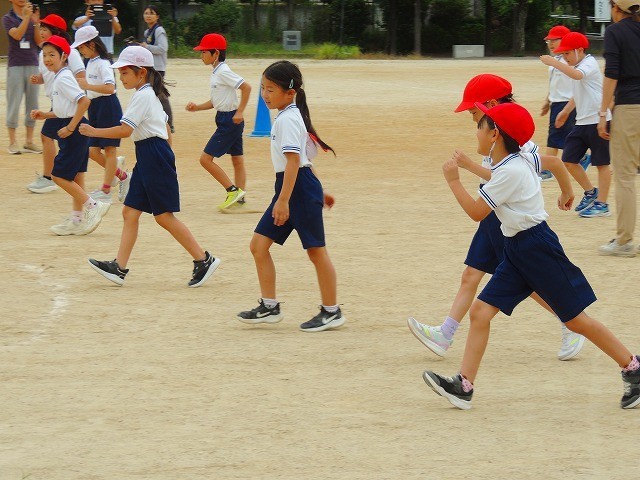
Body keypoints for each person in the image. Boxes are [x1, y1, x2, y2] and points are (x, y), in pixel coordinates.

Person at [422, 102, 640, 411]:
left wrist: (454, 181)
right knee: (480, 312)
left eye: (480, 127)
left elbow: (476, 212)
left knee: (577, 321)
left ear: (495, 135)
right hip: (517, 249)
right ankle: (464, 386)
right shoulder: (515, 160)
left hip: (537, 250)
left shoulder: (510, 170)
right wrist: (566, 190)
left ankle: (633, 367)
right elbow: (539, 166)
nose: (477, 132)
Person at [407, 74, 585, 361]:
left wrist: (567, 191)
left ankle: (570, 321)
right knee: (472, 274)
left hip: (506, 221)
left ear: (490, 105)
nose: (472, 119)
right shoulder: (494, 136)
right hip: (494, 215)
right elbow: (500, 177)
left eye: (474, 112)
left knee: (525, 281)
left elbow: (546, 164)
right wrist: (471, 167)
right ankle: (445, 333)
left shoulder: (515, 140)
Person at [79, 46, 220, 288]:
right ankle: (119, 267)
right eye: (120, 73)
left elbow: (125, 130)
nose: (121, 77)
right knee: (130, 212)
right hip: (150, 154)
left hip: (153, 155)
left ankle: (203, 259)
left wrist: (93, 131)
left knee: (164, 216)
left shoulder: (143, 96)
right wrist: (164, 153)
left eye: (125, 72)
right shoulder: (149, 95)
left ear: (141, 72)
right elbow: (165, 128)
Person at [236, 60, 345, 332]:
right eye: (263, 88)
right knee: (258, 245)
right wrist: (318, 190)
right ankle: (269, 306)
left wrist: (284, 201)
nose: (265, 95)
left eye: (271, 90)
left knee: (316, 251)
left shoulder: (287, 119)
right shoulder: (288, 116)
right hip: (293, 187)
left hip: (296, 190)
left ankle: (332, 311)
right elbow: (304, 160)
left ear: (290, 93)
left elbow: (295, 162)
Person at [30, 35, 111, 236]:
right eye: (44, 55)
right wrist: (45, 114)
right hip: (76, 128)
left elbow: (84, 102)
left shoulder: (64, 77)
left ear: (64, 56)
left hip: (74, 131)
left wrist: (70, 128)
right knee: (76, 176)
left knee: (58, 175)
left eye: (52, 55)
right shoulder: (60, 76)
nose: (47, 59)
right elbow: (65, 109)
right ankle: (77, 219)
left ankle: (94, 206)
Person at [540, 32, 612, 218]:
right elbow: (577, 92)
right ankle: (591, 192)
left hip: (598, 120)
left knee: (602, 163)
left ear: (579, 50)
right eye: (563, 54)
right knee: (569, 159)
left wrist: (554, 62)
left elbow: (578, 76)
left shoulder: (589, 63)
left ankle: (602, 204)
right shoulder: (577, 65)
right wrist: (565, 111)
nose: (565, 58)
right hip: (582, 121)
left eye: (567, 53)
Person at [186, 33, 251, 211]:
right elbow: (216, 102)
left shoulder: (223, 71)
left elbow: (246, 87)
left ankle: (232, 191)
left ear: (216, 53)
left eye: (203, 52)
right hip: (226, 118)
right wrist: (197, 107)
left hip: (230, 120)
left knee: (205, 159)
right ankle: (240, 200)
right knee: (237, 160)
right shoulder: (216, 72)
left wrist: (240, 111)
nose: (201, 56)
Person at [597, 0, 640, 257]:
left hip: (630, 109)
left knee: (625, 176)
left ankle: (624, 241)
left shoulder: (616, 31)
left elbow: (612, 74)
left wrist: (603, 112)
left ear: (615, 8)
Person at [27, 13, 85, 194]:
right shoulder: (44, 52)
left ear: (57, 31)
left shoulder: (69, 52)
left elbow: (80, 77)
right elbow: (48, 76)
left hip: (69, 103)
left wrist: (72, 94)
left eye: (45, 29)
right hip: (59, 102)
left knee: (48, 135)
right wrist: (39, 79)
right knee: (82, 147)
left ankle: (48, 178)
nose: (41, 32)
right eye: (40, 28)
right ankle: (117, 172)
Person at [71, 25, 129, 204]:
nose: (80, 51)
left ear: (92, 44)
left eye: (82, 47)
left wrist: (87, 86)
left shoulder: (103, 63)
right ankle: (123, 176)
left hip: (108, 106)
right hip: (95, 106)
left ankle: (106, 189)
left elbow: (110, 88)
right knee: (93, 151)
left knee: (110, 149)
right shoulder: (90, 62)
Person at [539, 25, 581, 181]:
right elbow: (555, 84)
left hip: (567, 103)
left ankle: (547, 169)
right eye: (548, 41)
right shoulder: (556, 60)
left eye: (554, 40)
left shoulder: (569, 61)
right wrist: (547, 100)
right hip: (556, 102)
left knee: (555, 137)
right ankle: (583, 156)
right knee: (564, 136)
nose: (550, 44)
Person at [2, 0, 41, 154]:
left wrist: (36, 22)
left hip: (32, 63)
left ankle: (29, 141)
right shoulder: (8, 18)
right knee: (14, 102)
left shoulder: (31, 16)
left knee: (33, 103)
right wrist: (26, 18)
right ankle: (12, 142)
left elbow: (38, 41)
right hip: (16, 65)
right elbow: (17, 35)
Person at [137, 5, 173, 133]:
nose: (148, 15)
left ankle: (169, 124)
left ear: (157, 16)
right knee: (155, 93)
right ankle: (159, 120)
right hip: (151, 67)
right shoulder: (148, 31)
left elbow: (163, 48)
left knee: (160, 94)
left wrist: (147, 47)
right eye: (146, 13)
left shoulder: (159, 30)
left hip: (158, 68)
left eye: (151, 13)